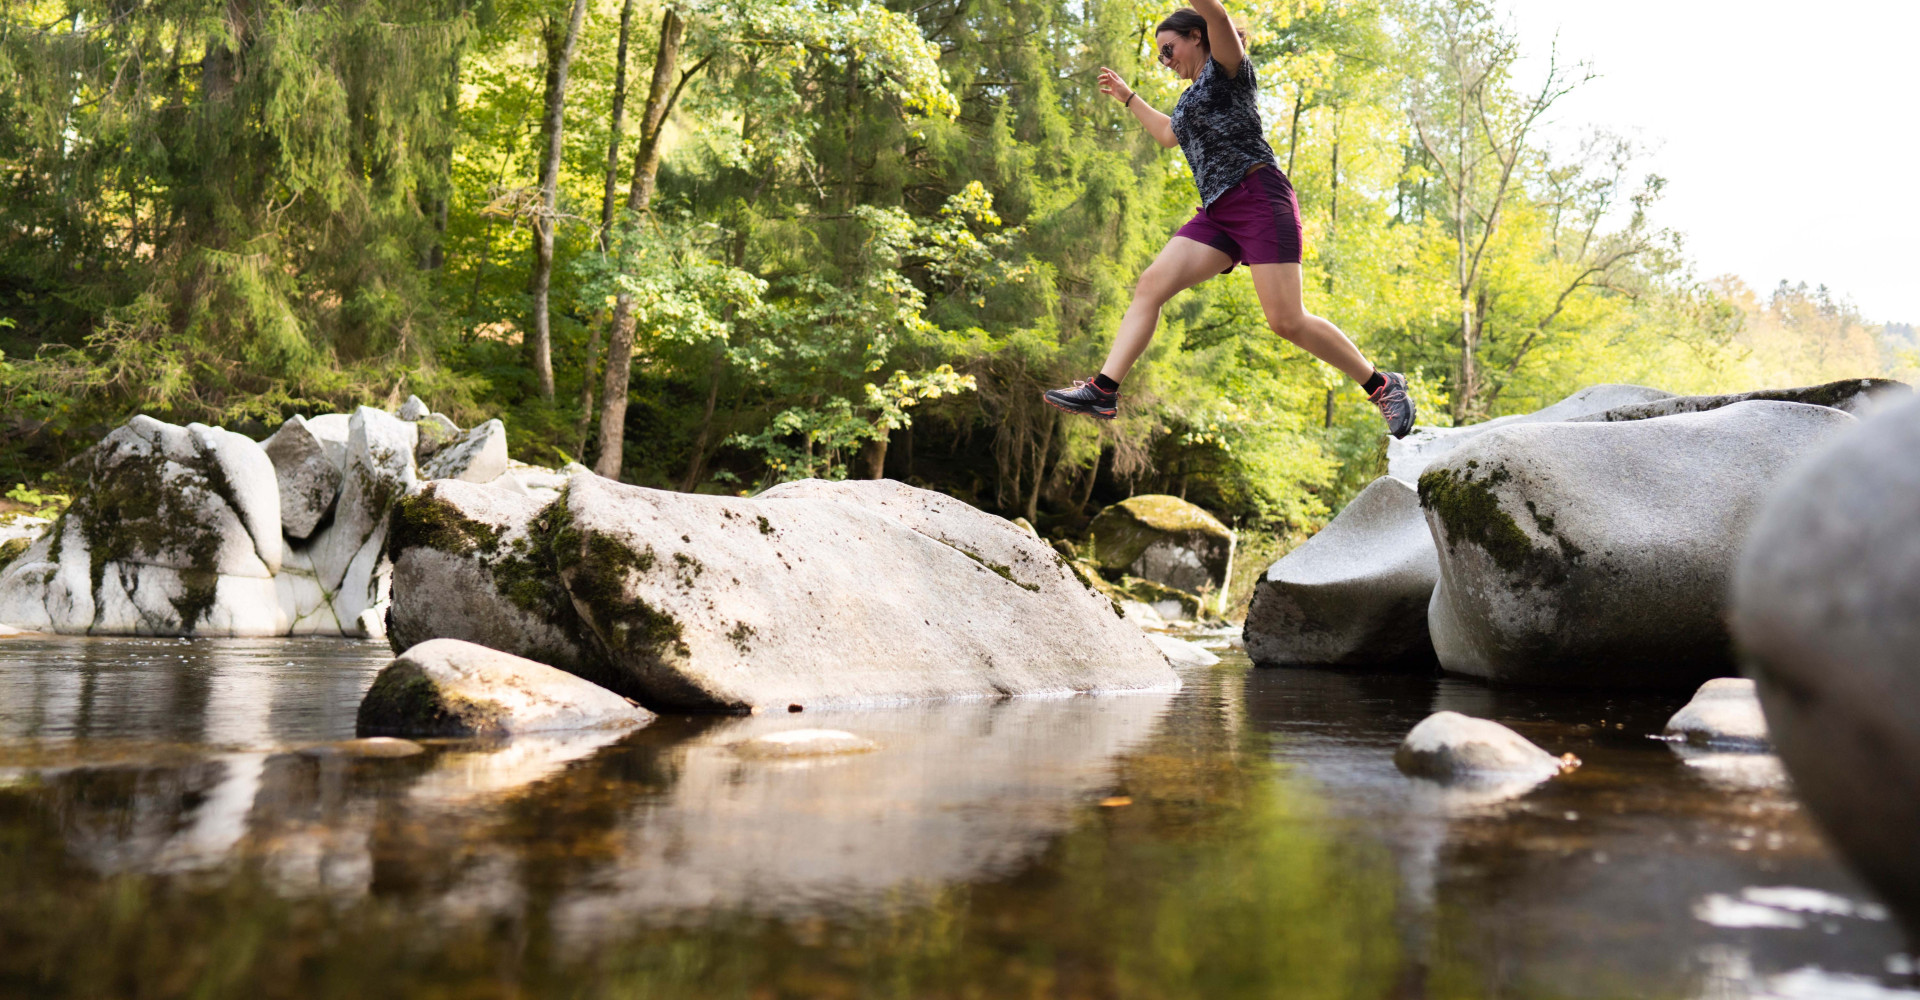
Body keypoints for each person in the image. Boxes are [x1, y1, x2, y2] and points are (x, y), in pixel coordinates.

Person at [1042, 1, 1415, 438]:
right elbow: (1167, 136)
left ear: (1195, 36)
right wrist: (1129, 98)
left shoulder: (1228, 69)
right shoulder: (1188, 99)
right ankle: (1103, 390)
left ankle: (1381, 385)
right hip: (1219, 213)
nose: (1166, 61)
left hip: (1258, 197)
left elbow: (1217, 16)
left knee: (1286, 320)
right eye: (1160, 55)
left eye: (1169, 49)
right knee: (1150, 285)